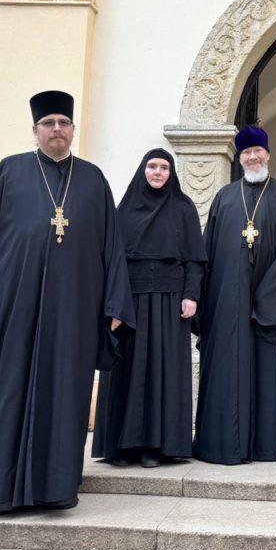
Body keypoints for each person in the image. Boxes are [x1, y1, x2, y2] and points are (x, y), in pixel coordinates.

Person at [0, 90, 133, 516]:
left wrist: (115, 306)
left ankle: (57, 489)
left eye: (63, 122)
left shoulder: (93, 180)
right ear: (36, 129)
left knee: (66, 396)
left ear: (73, 129)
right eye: (48, 123)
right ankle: (0, 492)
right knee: (8, 394)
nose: (56, 129)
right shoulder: (8, 173)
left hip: (74, 313)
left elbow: (113, 249)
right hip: (12, 310)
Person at [193, 126, 276, 465]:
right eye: (247, 153)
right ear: (240, 158)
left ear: (268, 155)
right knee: (226, 374)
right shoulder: (225, 197)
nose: (253, 157)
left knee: (263, 375)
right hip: (226, 304)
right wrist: (205, 300)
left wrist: (266, 297)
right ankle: (219, 445)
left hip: (267, 310)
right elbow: (208, 252)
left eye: (258, 151)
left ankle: (261, 446)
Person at [93, 148, 206, 468]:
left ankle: (159, 447)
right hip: (130, 301)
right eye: (153, 166)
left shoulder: (184, 209)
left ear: (171, 174)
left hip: (171, 301)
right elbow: (111, 260)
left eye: (164, 168)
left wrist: (191, 295)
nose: (158, 172)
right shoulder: (124, 210)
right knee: (126, 371)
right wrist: (112, 302)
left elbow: (195, 260)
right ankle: (122, 447)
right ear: (144, 170)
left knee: (164, 371)